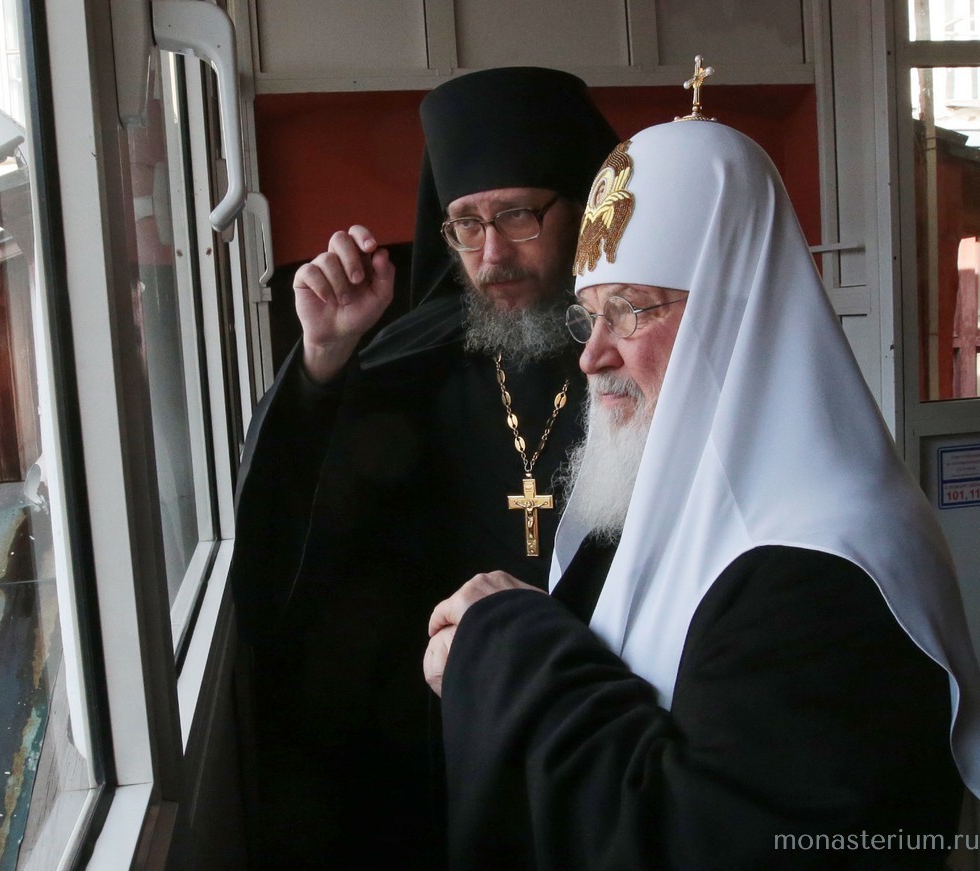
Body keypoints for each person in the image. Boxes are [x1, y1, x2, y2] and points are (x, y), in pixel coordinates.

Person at [424, 112, 980, 869]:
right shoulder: (641, 512)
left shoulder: (822, 573)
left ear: (735, 313)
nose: (592, 355)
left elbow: (698, 842)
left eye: (630, 308)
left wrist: (502, 643)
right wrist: (487, 647)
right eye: (590, 315)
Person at [229, 67, 619, 868]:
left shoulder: (639, 357)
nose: (491, 255)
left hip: (608, 716)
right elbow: (294, 527)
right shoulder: (416, 366)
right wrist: (326, 356)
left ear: (585, 211)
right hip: (441, 736)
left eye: (518, 216)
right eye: (466, 223)